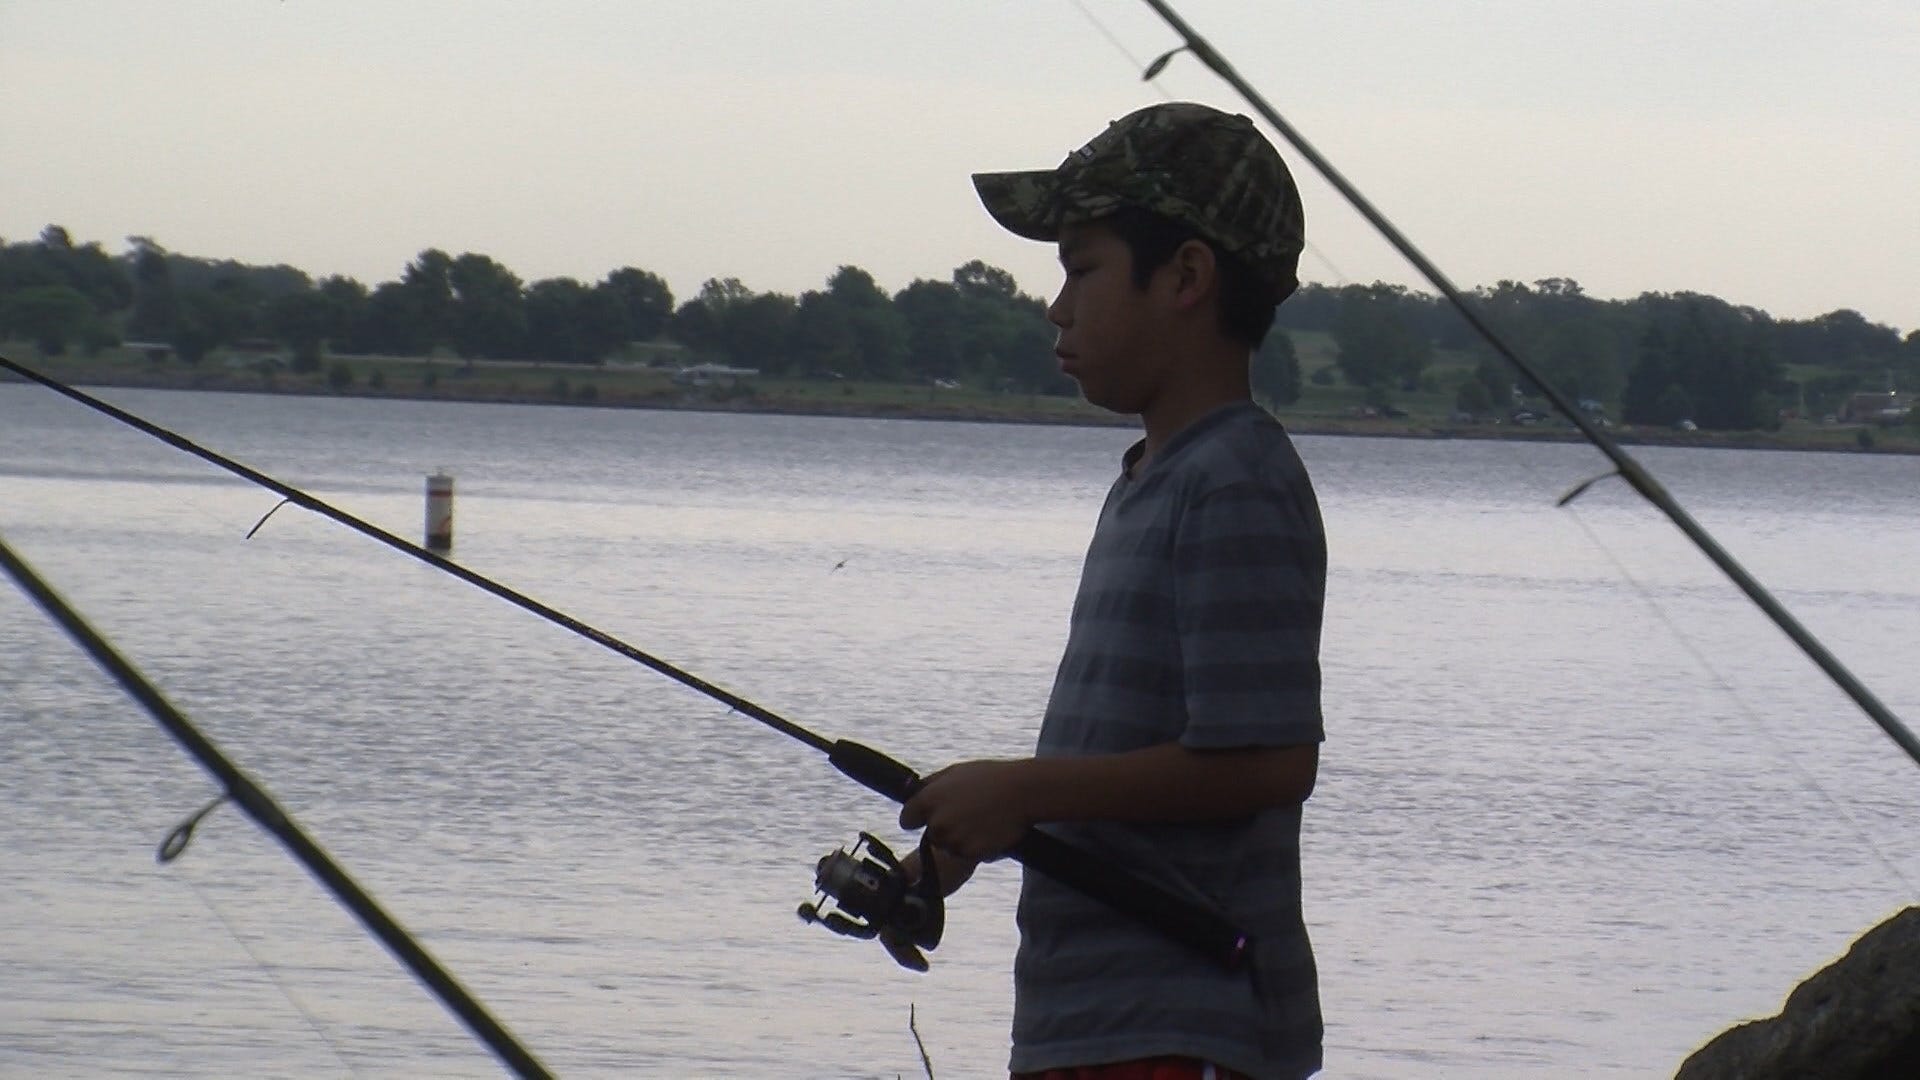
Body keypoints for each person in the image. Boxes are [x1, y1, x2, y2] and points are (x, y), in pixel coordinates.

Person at [898, 101, 1327, 1080]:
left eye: (1081, 268)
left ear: (1184, 277)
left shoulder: (1236, 481)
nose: (1057, 306)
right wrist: (961, 848)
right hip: (1095, 1026)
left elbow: (1266, 762)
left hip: (1180, 1032)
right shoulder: (1153, 479)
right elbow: (1132, 770)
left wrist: (1021, 790)